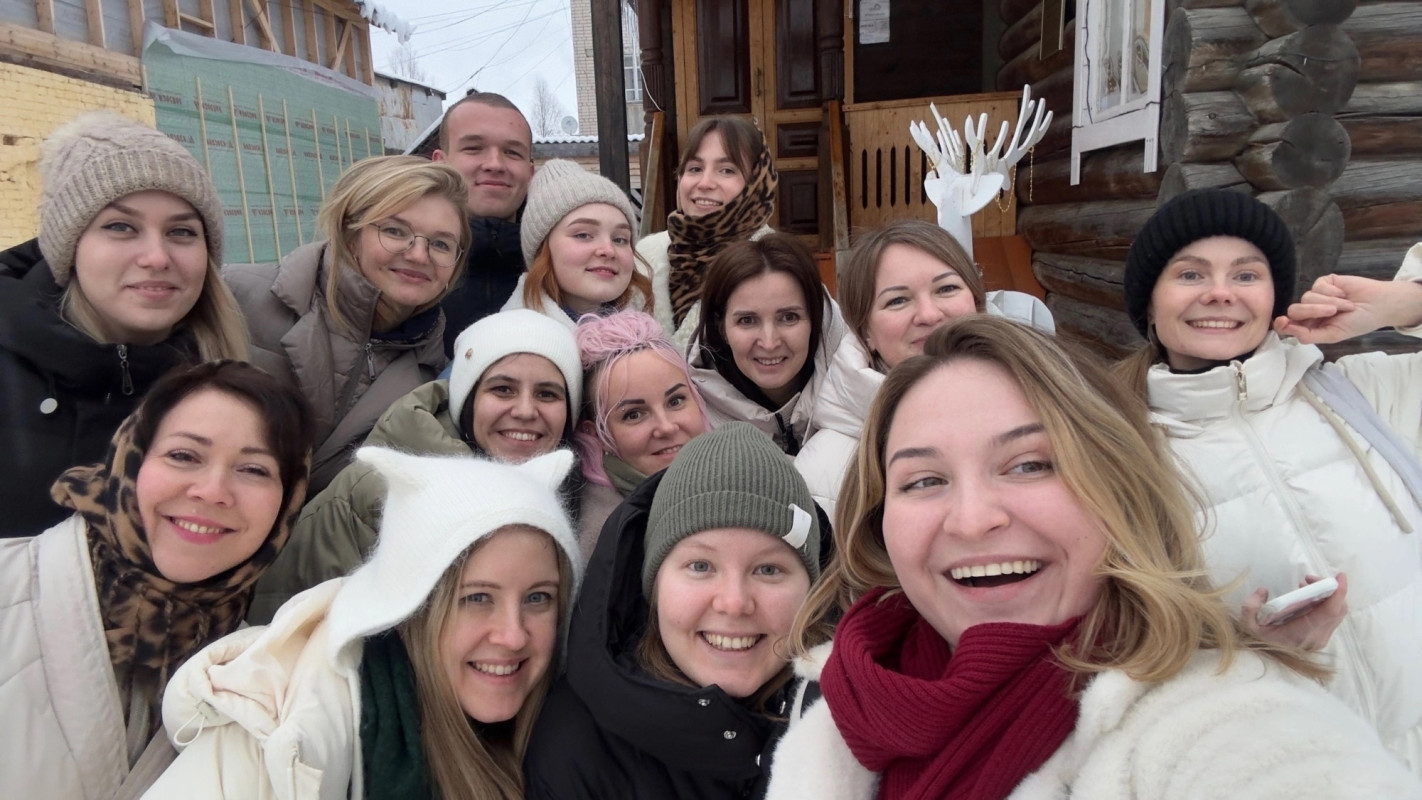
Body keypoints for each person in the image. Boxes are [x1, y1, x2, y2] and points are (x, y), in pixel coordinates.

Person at [764, 316, 1421, 800]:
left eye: (1029, 464)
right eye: (924, 480)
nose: (971, 519)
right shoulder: (846, 698)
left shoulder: (1220, 719)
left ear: (1116, 488)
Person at [1115, 188, 1422, 771]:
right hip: (1294, 771)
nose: (1220, 292)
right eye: (1190, 273)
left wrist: (1404, 304)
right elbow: (1120, 652)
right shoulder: (1121, 454)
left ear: (1274, 298)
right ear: (1149, 306)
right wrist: (1254, 656)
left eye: (1246, 274)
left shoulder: (1369, 396)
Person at [145, 446, 583, 800]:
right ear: (408, 609)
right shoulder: (280, 735)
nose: (513, 635)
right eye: (477, 598)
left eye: (538, 598)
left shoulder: (564, 732)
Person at [0, 361, 313, 799]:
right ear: (130, 460)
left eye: (254, 470)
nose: (212, 491)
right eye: (184, 456)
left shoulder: (262, 680)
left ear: (287, 502)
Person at [524, 423, 833, 799]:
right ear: (653, 587)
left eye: (768, 569)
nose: (734, 603)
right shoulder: (576, 749)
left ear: (811, 591)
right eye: (701, 566)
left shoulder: (855, 721)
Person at [0, 111, 249, 538]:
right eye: (120, 227)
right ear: (69, 248)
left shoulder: (239, 378)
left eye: (182, 232)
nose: (157, 257)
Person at [248, 308, 583, 622]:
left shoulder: (579, 493)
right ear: (466, 400)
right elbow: (295, 625)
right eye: (503, 389)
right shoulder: (379, 490)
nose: (525, 411)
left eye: (547, 394)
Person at [226, 155, 470, 495]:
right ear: (350, 234)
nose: (419, 254)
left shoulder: (437, 380)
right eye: (394, 231)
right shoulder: (234, 301)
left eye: (441, 244)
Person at [794, 218, 1054, 516]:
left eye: (946, 288)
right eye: (897, 300)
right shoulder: (825, 469)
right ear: (866, 332)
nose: (929, 315)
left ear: (976, 301)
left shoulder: (1051, 405)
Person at [689, 233, 847, 455]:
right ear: (722, 328)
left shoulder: (864, 398)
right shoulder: (689, 422)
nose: (769, 343)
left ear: (815, 320)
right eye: (747, 320)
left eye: (789, 317)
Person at [572, 310, 712, 558]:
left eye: (676, 401)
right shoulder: (604, 537)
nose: (666, 427)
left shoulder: (751, 475)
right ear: (595, 434)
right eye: (634, 414)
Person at [637, 116, 778, 348]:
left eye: (726, 170)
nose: (705, 183)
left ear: (756, 183)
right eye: (695, 168)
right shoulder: (644, 258)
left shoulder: (777, 260)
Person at [433, 92, 537, 357]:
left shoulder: (562, 270)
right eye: (473, 148)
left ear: (530, 173)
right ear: (440, 163)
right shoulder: (399, 266)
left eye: (512, 152)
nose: (495, 164)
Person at [501, 159, 652, 329]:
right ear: (542, 249)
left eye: (620, 239)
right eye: (583, 235)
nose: (608, 250)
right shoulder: (514, 338)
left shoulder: (648, 330)